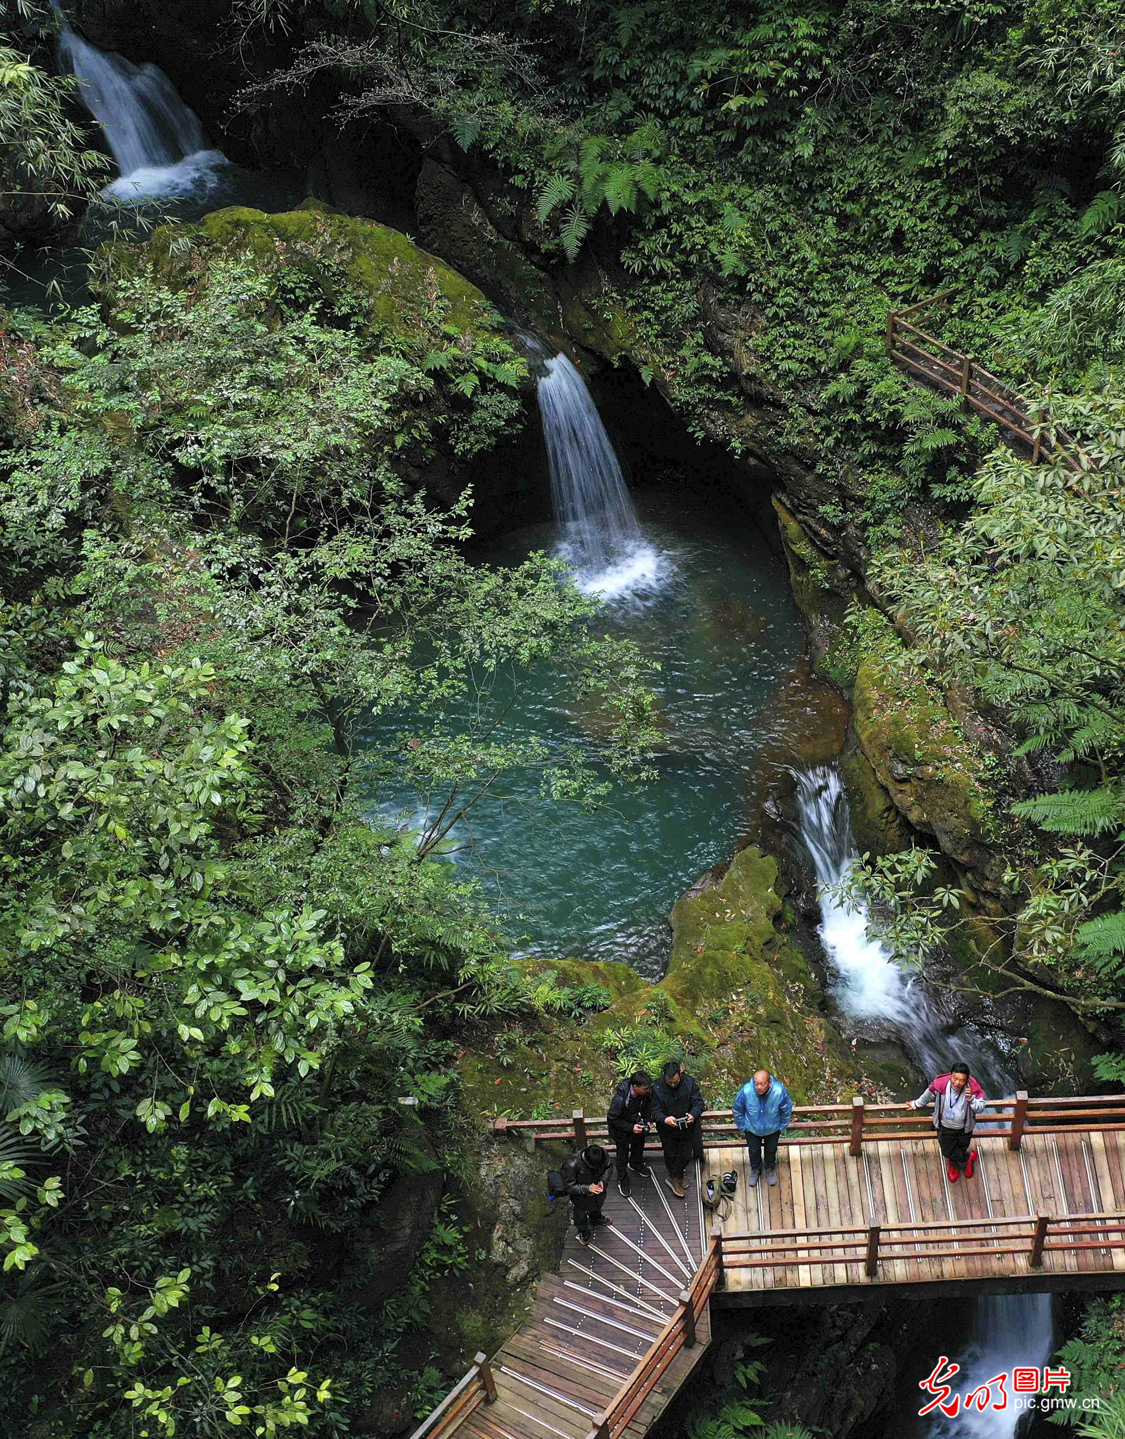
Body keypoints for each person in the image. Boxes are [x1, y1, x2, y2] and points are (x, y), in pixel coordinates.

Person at [911, 1063, 986, 1182]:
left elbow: (981, 1107)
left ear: (966, 1080)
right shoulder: (941, 1084)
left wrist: (971, 1099)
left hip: (964, 1126)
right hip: (945, 1125)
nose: (957, 1083)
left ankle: (954, 1164)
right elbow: (928, 1094)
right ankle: (967, 1159)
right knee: (947, 1150)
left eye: (961, 1080)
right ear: (950, 1075)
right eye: (955, 1078)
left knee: (962, 1146)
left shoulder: (972, 1088)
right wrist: (916, 1104)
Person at [651, 1060, 705, 1198]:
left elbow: (698, 1102)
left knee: (686, 1153)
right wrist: (665, 1119)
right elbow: (654, 1110)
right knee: (670, 1153)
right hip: (667, 1129)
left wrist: (693, 1114)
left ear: (680, 1074)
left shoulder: (689, 1083)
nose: (673, 1084)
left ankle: (676, 1176)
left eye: (675, 1081)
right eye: (670, 1082)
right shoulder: (657, 1088)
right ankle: (674, 1177)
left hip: (687, 1127)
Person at [733, 1068, 793, 1188]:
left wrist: (782, 1126)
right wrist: (742, 1126)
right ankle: (755, 1169)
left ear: (769, 1082)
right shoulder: (746, 1091)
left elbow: (786, 1108)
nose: (759, 1087)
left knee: (771, 1150)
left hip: (772, 1128)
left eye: (762, 1084)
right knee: (754, 1150)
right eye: (756, 1083)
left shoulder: (778, 1091)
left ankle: (770, 1168)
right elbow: (738, 1109)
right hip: (752, 1128)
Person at [607, 1070, 653, 1198]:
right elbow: (612, 1119)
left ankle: (635, 1163)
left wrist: (647, 1121)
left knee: (639, 1146)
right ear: (635, 1086)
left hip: (636, 1126)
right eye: (645, 1088)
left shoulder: (645, 1094)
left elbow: (648, 1107)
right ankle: (622, 1179)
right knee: (622, 1155)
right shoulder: (620, 1099)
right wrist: (631, 1127)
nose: (647, 1090)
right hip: (621, 1130)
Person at [560, 1143, 612, 1244]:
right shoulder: (572, 1165)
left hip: (598, 1193)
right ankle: (583, 1231)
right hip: (581, 1197)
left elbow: (608, 1167)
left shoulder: (603, 1155)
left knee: (597, 1205)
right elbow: (568, 1187)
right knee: (580, 1214)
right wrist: (587, 1188)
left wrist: (603, 1180)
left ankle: (596, 1217)